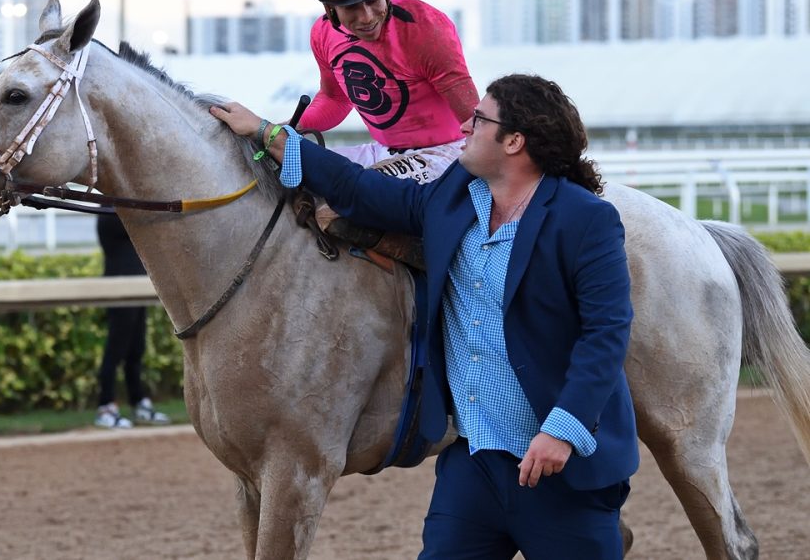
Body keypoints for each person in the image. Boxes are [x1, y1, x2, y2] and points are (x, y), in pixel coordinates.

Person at [210, 73, 638, 559]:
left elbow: (606, 334)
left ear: (515, 141)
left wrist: (562, 429)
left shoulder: (586, 219)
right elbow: (360, 190)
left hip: (560, 471)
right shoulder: (454, 194)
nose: (464, 125)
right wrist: (268, 133)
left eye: (479, 119)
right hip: (474, 468)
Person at [299, 0, 481, 266]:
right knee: (290, 176)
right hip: (383, 151)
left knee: (338, 204)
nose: (366, 17)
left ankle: (428, 261)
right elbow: (335, 99)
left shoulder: (427, 28)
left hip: (446, 153)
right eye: (351, 8)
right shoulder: (322, 34)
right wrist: (289, 129)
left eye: (373, 1)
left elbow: (476, 123)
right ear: (329, 8)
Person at [94, 213, 170, 429]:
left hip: (136, 288)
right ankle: (105, 406)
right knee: (115, 351)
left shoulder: (118, 209)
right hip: (119, 289)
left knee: (136, 349)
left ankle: (138, 402)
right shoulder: (110, 213)